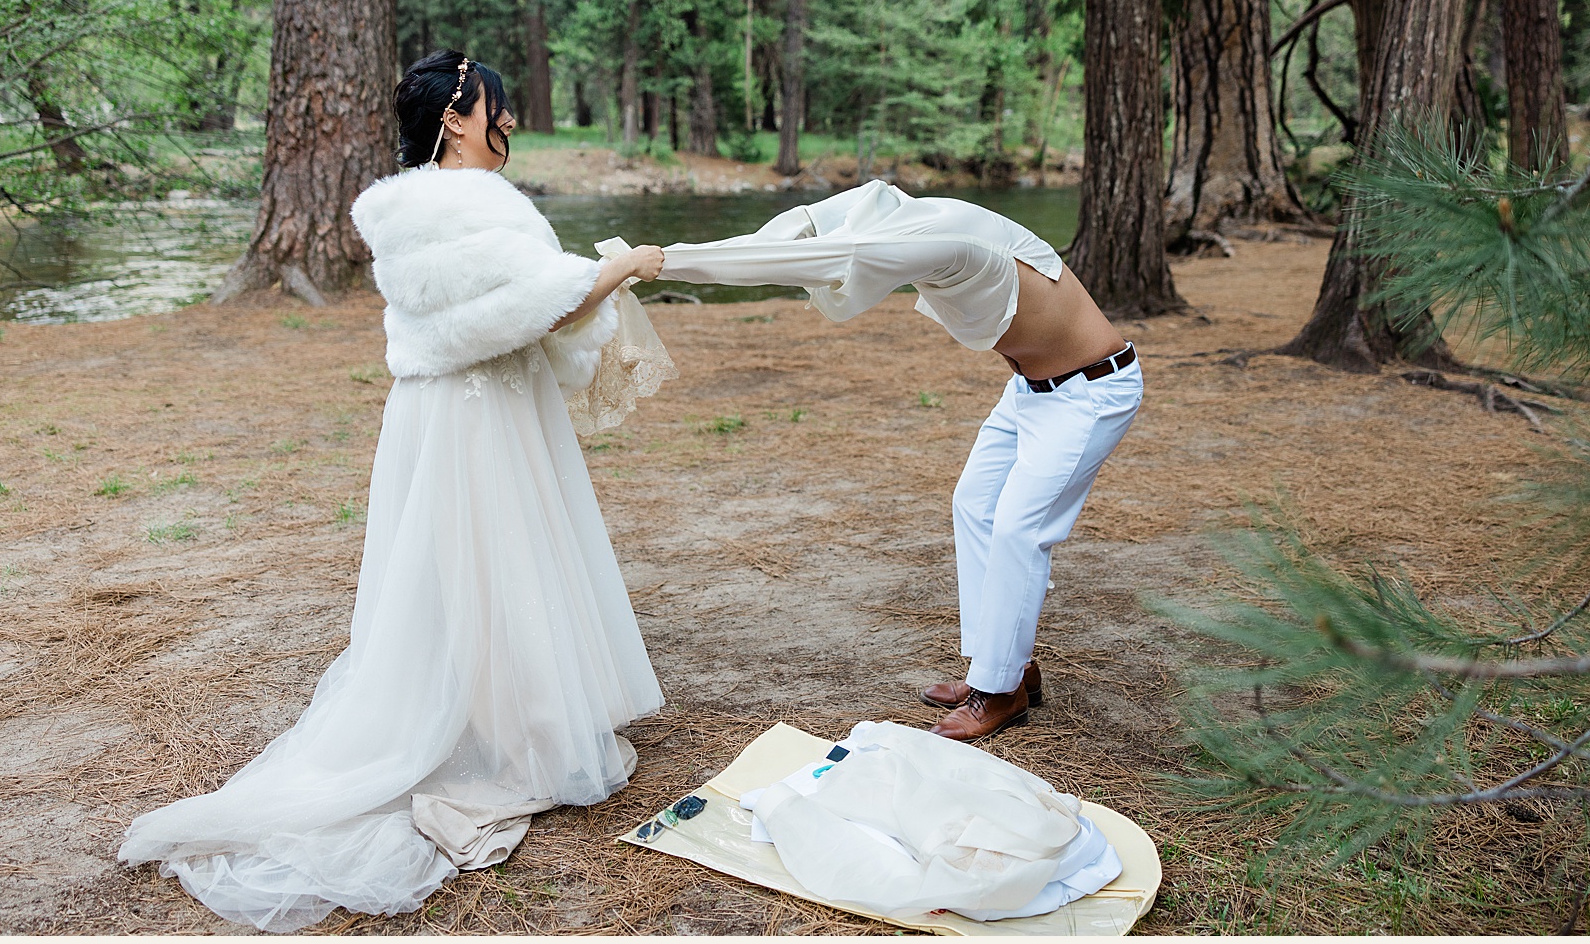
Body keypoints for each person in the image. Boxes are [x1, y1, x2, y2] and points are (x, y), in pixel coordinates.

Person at [120, 50, 670, 932]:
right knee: (506, 555)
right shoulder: (474, 203)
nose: (512, 121)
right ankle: (514, 732)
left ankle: (499, 713)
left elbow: (499, 310)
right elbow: (538, 307)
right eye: (499, 106)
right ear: (455, 118)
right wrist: (621, 266)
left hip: (434, 409)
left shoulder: (410, 210)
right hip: (481, 409)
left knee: (460, 567)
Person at [651, 180, 1141, 741]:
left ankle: (999, 692)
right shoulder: (892, 206)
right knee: (974, 505)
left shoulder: (943, 242)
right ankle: (1004, 666)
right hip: (1033, 389)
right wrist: (682, 255)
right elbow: (801, 225)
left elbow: (809, 258)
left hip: (1090, 392)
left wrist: (669, 262)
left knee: (1018, 530)